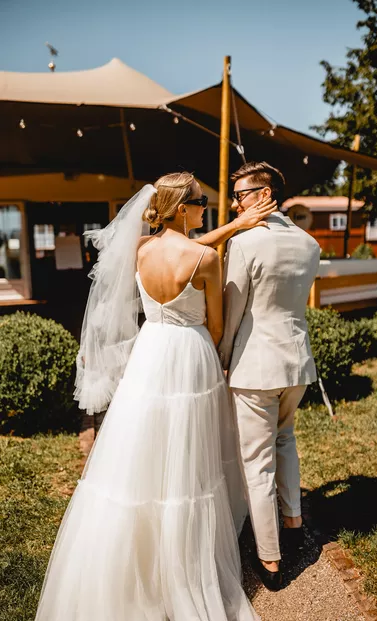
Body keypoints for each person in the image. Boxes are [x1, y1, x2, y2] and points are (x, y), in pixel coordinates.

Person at [34, 171, 276, 621]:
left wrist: (231, 227)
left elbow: (176, 244)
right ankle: (185, 562)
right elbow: (216, 325)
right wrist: (234, 231)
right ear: (183, 208)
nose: (206, 209)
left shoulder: (140, 248)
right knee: (189, 455)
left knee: (143, 447)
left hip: (150, 353)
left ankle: (138, 560)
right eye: (201, 202)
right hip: (191, 352)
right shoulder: (206, 259)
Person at [218, 162, 320, 591]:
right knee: (285, 440)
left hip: (255, 366)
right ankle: (293, 523)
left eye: (240, 195)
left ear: (265, 194)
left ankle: (270, 559)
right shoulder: (309, 243)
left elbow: (233, 311)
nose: (234, 204)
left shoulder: (244, 244)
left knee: (256, 462)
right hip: (297, 362)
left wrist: (222, 358)